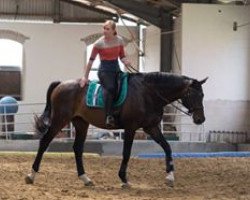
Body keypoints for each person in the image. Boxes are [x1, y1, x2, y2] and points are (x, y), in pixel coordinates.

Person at [80, 20, 131, 128]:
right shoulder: (99, 44)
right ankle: (109, 116)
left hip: (116, 69)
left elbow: (122, 56)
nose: (104, 31)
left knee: (129, 85)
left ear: (113, 30)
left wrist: (126, 61)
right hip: (104, 71)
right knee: (110, 87)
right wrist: (85, 77)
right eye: (104, 28)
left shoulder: (119, 40)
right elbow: (90, 61)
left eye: (107, 29)